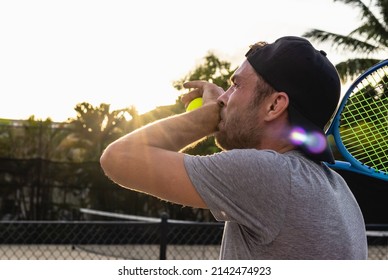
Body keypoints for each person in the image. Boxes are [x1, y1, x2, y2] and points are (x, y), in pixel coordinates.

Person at [100, 36, 368, 259]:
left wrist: (208, 115)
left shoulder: (271, 175)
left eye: (235, 85)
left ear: (274, 105)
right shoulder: (339, 191)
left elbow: (118, 158)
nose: (223, 98)